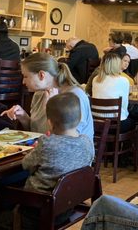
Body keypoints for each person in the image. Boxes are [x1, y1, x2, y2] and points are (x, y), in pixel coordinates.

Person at [18, 92, 94, 229]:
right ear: (79, 119)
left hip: (38, 208)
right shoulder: (87, 142)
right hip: (68, 204)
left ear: (49, 122)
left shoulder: (47, 144)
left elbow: (25, 165)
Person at [2, 53, 93, 139]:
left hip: (69, 150)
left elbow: (68, 140)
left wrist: (52, 109)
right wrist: (24, 117)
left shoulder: (75, 96)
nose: (23, 82)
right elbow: (36, 132)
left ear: (41, 75)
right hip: (43, 147)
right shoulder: (39, 94)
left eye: (26, 76)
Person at [92, 53, 134, 133]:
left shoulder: (96, 79)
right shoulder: (123, 80)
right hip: (116, 124)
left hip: (97, 123)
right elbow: (124, 105)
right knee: (133, 122)